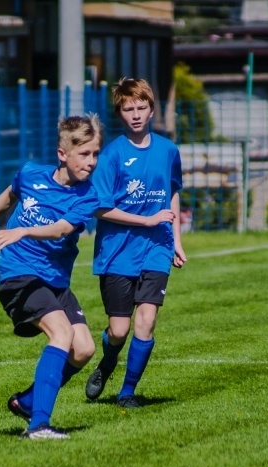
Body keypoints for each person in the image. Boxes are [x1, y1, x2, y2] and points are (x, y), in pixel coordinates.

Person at [0, 115, 104, 440]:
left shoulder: (87, 196)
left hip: (54, 280)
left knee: (83, 349)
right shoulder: (30, 174)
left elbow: (62, 229)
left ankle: (27, 402)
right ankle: (39, 425)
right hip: (19, 273)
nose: (91, 161)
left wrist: (24, 229)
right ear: (62, 154)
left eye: (95, 153)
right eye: (84, 154)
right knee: (62, 333)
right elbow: (8, 196)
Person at [84, 78, 187, 408]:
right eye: (129, 109)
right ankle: (107, 361)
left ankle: (127, 392)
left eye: (142, 107)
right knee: (118, 329)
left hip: (157, 246)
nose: (137, 114)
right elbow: (100, 207)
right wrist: (145, 220)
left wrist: (177, 241)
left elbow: (172, 190)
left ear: (152, 109)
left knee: (147, 319)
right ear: (119, 113)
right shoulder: (111, 155)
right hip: (117, 252)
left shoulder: (168, 150)